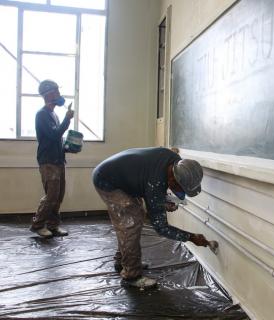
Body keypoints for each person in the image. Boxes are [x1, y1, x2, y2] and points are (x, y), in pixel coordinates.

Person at [92, 147, 211, 289]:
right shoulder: (155, 183)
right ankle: (131, 276)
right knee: (130, 223)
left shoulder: (173, 159)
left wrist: (162, 202)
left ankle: (123, 261)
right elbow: (161, 228)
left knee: (135, 217)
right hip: (107, 181)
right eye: (179, 188)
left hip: (120, 176)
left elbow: (153, 190)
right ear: (172, 178)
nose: (179, 191)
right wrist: (191, 237)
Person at [30, 80, 74, 238]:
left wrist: (66, 148)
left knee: (59, 195)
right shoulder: (42, 114)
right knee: (51, 195)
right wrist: (67, 119)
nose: (59, 95)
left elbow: (55, 139)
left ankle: (53, 225)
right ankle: (38, 225)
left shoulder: (53, 114)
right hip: (48, 162)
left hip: (58, 160)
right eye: (55, 92)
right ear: (47, 95)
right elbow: (54, 134)